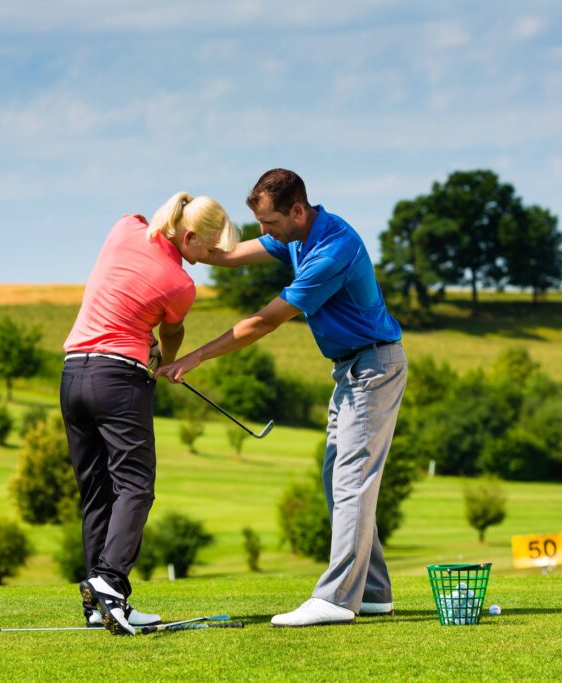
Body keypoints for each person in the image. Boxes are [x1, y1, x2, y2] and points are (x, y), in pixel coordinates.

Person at [157, 169, 407, 627]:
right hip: (351, 370)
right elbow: (231, 256)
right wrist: (178, 247)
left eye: (269, 224)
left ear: (297, 210)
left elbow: (264, 321)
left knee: (353, 479)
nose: (265, 234)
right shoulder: (294, 234)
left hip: (374, 368)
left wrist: (191, 358)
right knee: (339, 478)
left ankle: (336, 598)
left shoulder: (333, 250)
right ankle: (372, 592)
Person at [63, 191, 238, 636]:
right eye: (210, 249)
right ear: (191, 235)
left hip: (72, 375)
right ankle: (110, 584)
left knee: (98, 490)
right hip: (119, 380)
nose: (211, 258)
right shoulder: (181, 286)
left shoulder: (125, 227)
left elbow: (129, 294)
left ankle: (98, 603)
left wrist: (146, 341)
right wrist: (162, 362)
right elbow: (170, 333)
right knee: (136, 486)